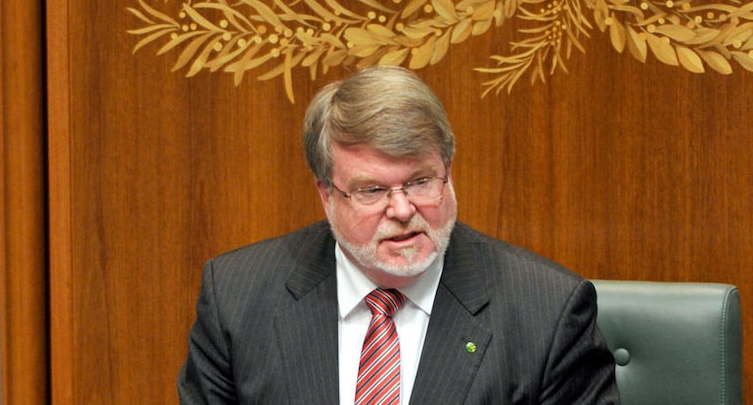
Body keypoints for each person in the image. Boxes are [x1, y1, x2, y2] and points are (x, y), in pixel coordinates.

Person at [178, 65, 620, 404]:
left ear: (448, 170)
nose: (404, 210)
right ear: (326, 194)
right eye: (372, 190)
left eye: (421, 181)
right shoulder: (236, 298)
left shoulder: (547, 313)